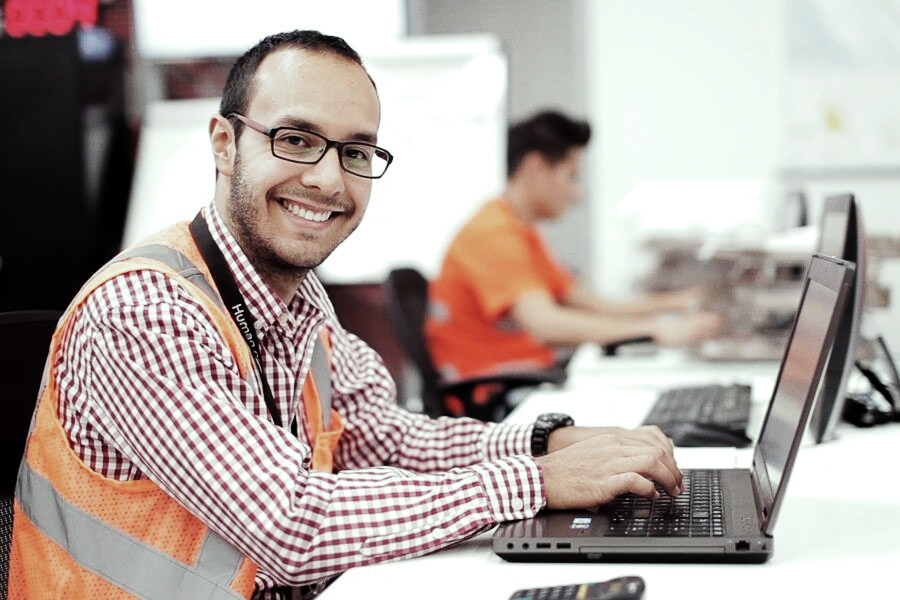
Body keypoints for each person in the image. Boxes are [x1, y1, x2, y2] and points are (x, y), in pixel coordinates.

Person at [9, 32, 683, 600]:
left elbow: (384, 443)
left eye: (355, 152)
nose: (330, 181)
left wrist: (546, 444)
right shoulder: (144, 311)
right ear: (222, 143)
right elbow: (293, 528)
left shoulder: (298, 302)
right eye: (297, 139)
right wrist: (530, 483)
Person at [426, 110, 723, 388]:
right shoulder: (492, 233)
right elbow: (547, 324)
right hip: (494, 390)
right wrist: (656, 331)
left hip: (525, 373)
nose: (577, 193)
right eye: (572, 176)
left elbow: (582, 302)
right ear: (535, 169)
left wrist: (674, 303)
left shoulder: (521, 229)